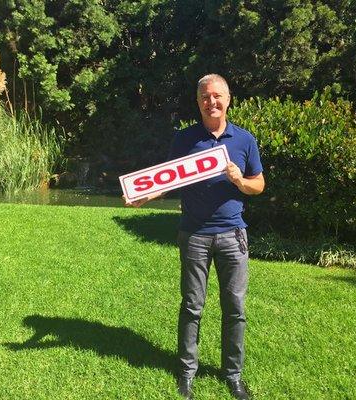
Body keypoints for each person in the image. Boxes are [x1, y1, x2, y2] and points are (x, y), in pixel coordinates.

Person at [125, 74, 264, 400]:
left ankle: (233, 376)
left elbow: (259, 184)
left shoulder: (244, 140)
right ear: (198, 101)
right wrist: (142, 195)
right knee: (192, 306)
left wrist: (240, 181)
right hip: (194, 236)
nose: (211, 102)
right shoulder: (185, 139)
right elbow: (168, 179)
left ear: (228, 99)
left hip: (233, 236)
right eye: (205, 96)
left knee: (235, 309)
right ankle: (186, 374)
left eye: (217, 96)